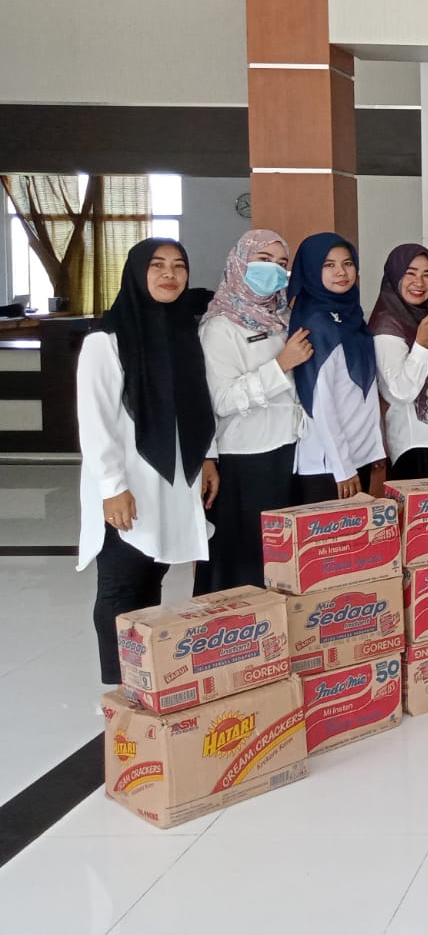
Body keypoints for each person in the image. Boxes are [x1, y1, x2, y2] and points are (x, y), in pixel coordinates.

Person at [78, 240, 219, 685]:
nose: (169, 275)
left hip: (175, 477)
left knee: (151, 573)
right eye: (157, 265)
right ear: (137, 273)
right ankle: (119, 687)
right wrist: (112, 487)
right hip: (128, 481)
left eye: (179, 266)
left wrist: (208, 457)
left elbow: (199, 404)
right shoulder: (106, 340)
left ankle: (142, 678)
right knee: (120, 583)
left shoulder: (183, 333)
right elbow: (95, 421)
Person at [197, 229, 308, 591]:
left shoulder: (281, 318)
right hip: (246, 458)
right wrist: (280, 366)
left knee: (278, 561)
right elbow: (222, 399)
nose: (273, 269)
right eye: (263, 260)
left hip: (287, 453)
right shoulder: (220, 326)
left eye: (281, 263)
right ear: (239, 262)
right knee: (244, 563)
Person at [289, 233, 382, 502]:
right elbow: (321, 403)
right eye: (328, 265)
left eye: (348, 263)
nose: (341, 272)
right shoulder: (315, 323)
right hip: (329, 465)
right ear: (310, 270)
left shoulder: (349, 314)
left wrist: (372, 449)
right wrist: (342, 467)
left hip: (355, 455)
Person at [369, 243, 428, 481]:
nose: (419, 282)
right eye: (410, 273)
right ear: (395, 276)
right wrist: (422, 342)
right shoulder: (387, 324)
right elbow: (401, 391)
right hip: (414, 445)